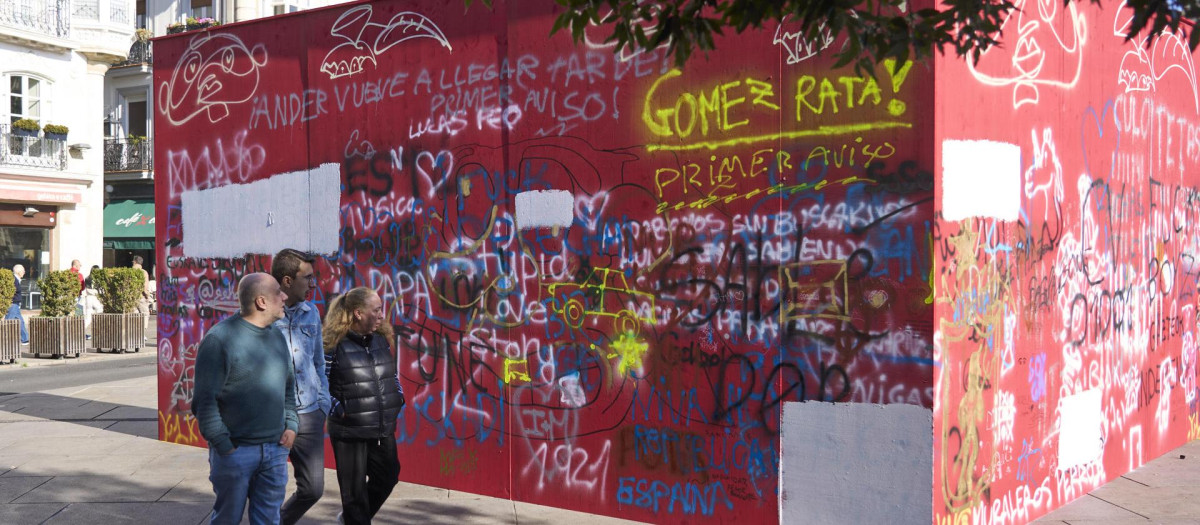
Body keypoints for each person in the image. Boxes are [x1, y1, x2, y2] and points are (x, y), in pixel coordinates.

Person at [192, 273, 299, 525]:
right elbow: (204, 402)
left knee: (268, 521)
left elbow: (288, 386)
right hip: (236, 453)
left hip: (274, 452)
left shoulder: (276, 336)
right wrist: (224, 445)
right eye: (277, 292)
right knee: (227, 519)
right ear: (261, 302)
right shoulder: (219, 340)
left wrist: (292, 424)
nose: (284, 296)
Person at [324, 287, 404, 525]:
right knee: (354, 496)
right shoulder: (333, 344)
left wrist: (398, 395)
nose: (382, 315)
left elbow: (391, 374)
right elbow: (318, 384)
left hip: (381, 427)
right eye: (376, 310)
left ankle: (351, 520)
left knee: (388, 476)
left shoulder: (380, 338)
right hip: (350, 430)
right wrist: (340, 409)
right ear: (358, 313)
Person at [271, 249, 329, 525]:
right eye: (307, 277)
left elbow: (319, 361)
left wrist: (323, 403)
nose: (312, 283)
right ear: (286, 281)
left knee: (313, 489)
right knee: (269, 489)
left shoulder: (311, 313)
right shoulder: (264, 315)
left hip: (309, 413)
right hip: (275, 417)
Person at [4, 264, 27, 344]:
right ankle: (5, 339)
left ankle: (25, 339)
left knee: (21, 321)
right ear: (19, 272)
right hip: (13, 304)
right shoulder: (13, 279)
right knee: (8, 322)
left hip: (16, 304)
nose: (24, 272)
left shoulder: (17, 279)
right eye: (23, 270)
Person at [81, 265, 103, 337]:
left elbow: (86, 289)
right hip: (95, 298)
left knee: (88, 317)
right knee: (100, 312)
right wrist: (98, 293)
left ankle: (81, 331)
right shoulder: (99, 279)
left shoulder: (87, 278)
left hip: (88, 298)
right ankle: (99, 331)